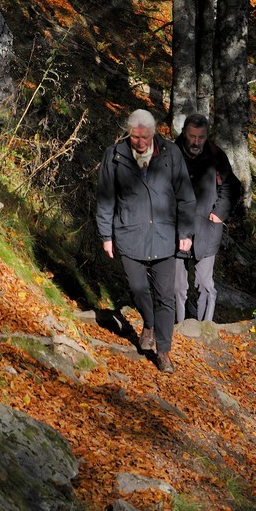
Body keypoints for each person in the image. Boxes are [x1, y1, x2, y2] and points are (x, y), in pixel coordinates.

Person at [96, 109, 196, 374]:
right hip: (129, 233)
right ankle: (148, 323)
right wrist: (106, 235)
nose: (140, 143)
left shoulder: (171, 154)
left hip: (165, 236)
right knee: (138, 288)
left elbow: (186, 196)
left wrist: (185, 233)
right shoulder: (114, 155)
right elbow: (106, 198)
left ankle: (163, 352)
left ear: (154, 133)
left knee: (166, 296)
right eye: (135, 137)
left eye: (145, 137)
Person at [173, 113, 242, 324]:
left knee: (204, 283)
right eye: (192, 136)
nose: (196, 142)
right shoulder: (171, 154)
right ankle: (179, 327)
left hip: (207, 228)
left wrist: (219, 213)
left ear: (206, 135)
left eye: (201, 137)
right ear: (185, 133)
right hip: (176, 227)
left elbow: (232, 186)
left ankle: (205, 328)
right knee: (177, 286)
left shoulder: (216, 155)